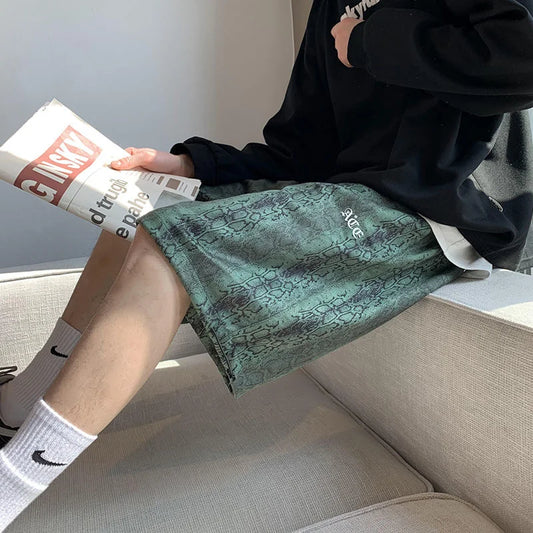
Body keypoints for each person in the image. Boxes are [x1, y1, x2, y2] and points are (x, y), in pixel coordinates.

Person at [1, 0, 532, 529]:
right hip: (351, 194)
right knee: (138, 214)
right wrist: (190, 165)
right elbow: (299, 150)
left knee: (170, 246)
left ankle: (8, 490)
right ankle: (17, 407)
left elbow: (521, 57)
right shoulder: (332, 7)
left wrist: (368, 41)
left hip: (444, 213)